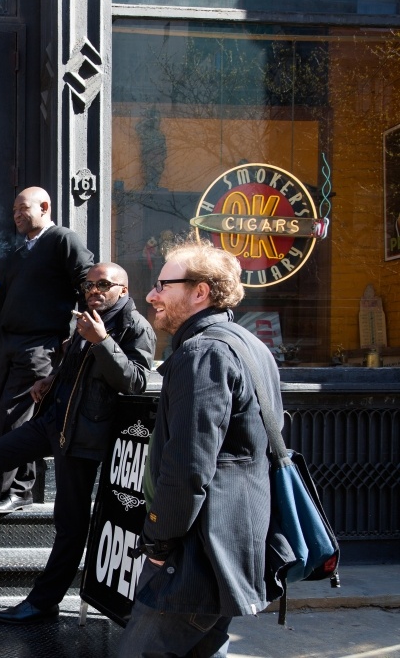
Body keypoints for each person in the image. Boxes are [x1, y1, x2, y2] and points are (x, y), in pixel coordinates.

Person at [0, 263, 155, 623]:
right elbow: (78, 370)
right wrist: (52, 379)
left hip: (85, 435)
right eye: (89, 284)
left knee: (70, 524)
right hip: (54, 421)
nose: (95, 290)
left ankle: (44, 601)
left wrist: (102, 342)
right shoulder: (87, 317)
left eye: (104, 284)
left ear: (123, 289)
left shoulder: (134, 327)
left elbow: (134, 381)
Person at [116, 239, 280, 657]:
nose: (151, 295)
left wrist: (158, 542)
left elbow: (188, 464)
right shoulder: (250, 345)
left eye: (162, 284)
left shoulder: (202, 351)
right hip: (231, 542)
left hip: (196, 553)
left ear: (200, 291)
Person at [0, 186, 94, 513]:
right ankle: (14, 489)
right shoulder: (22, 250)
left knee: (17, 419)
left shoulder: (63, 240)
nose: (17, 215)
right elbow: (8, 305)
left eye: (23, 208)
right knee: (13, 417)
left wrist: (79, 335)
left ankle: (2, 492)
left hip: (41, 345)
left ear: (45, 207)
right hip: (11, 343)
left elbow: (88, 284)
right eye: (14, 211)